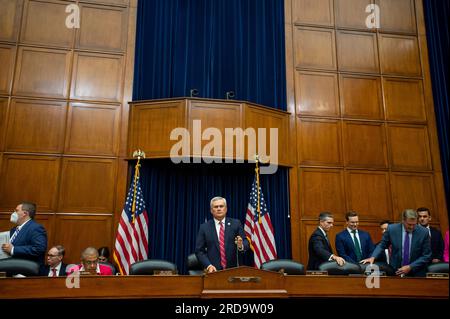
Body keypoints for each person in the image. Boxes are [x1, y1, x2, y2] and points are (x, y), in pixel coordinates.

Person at [361, 209, 432, 277]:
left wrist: (410, 267)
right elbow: (382, 245)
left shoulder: (424, 232)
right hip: (395, 271)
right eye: (409, 224)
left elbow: (426, 255)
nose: (412, 227)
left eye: (414, 224)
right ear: (403, 221)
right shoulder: (392, 229)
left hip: (416, 272)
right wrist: (373, 257)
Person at [195, 196, 249, 273]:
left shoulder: (236, 224)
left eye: (221, 206)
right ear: (211, 210)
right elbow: (199, 251)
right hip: (214, 271)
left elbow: (246, 242)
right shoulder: (204, 227)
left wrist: (241, 245)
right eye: (216, 207)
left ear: (226, 209)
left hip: (233, 270)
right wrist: (208, 265)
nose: (219, 209)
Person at [1, 202, 47, 267]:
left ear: (25, 213)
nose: (13, 213)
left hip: (26, 272)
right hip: (11, 269)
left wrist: (13, 249)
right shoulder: (14, 229)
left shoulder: (36, 228)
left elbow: (39, 248)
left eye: (16, 210)